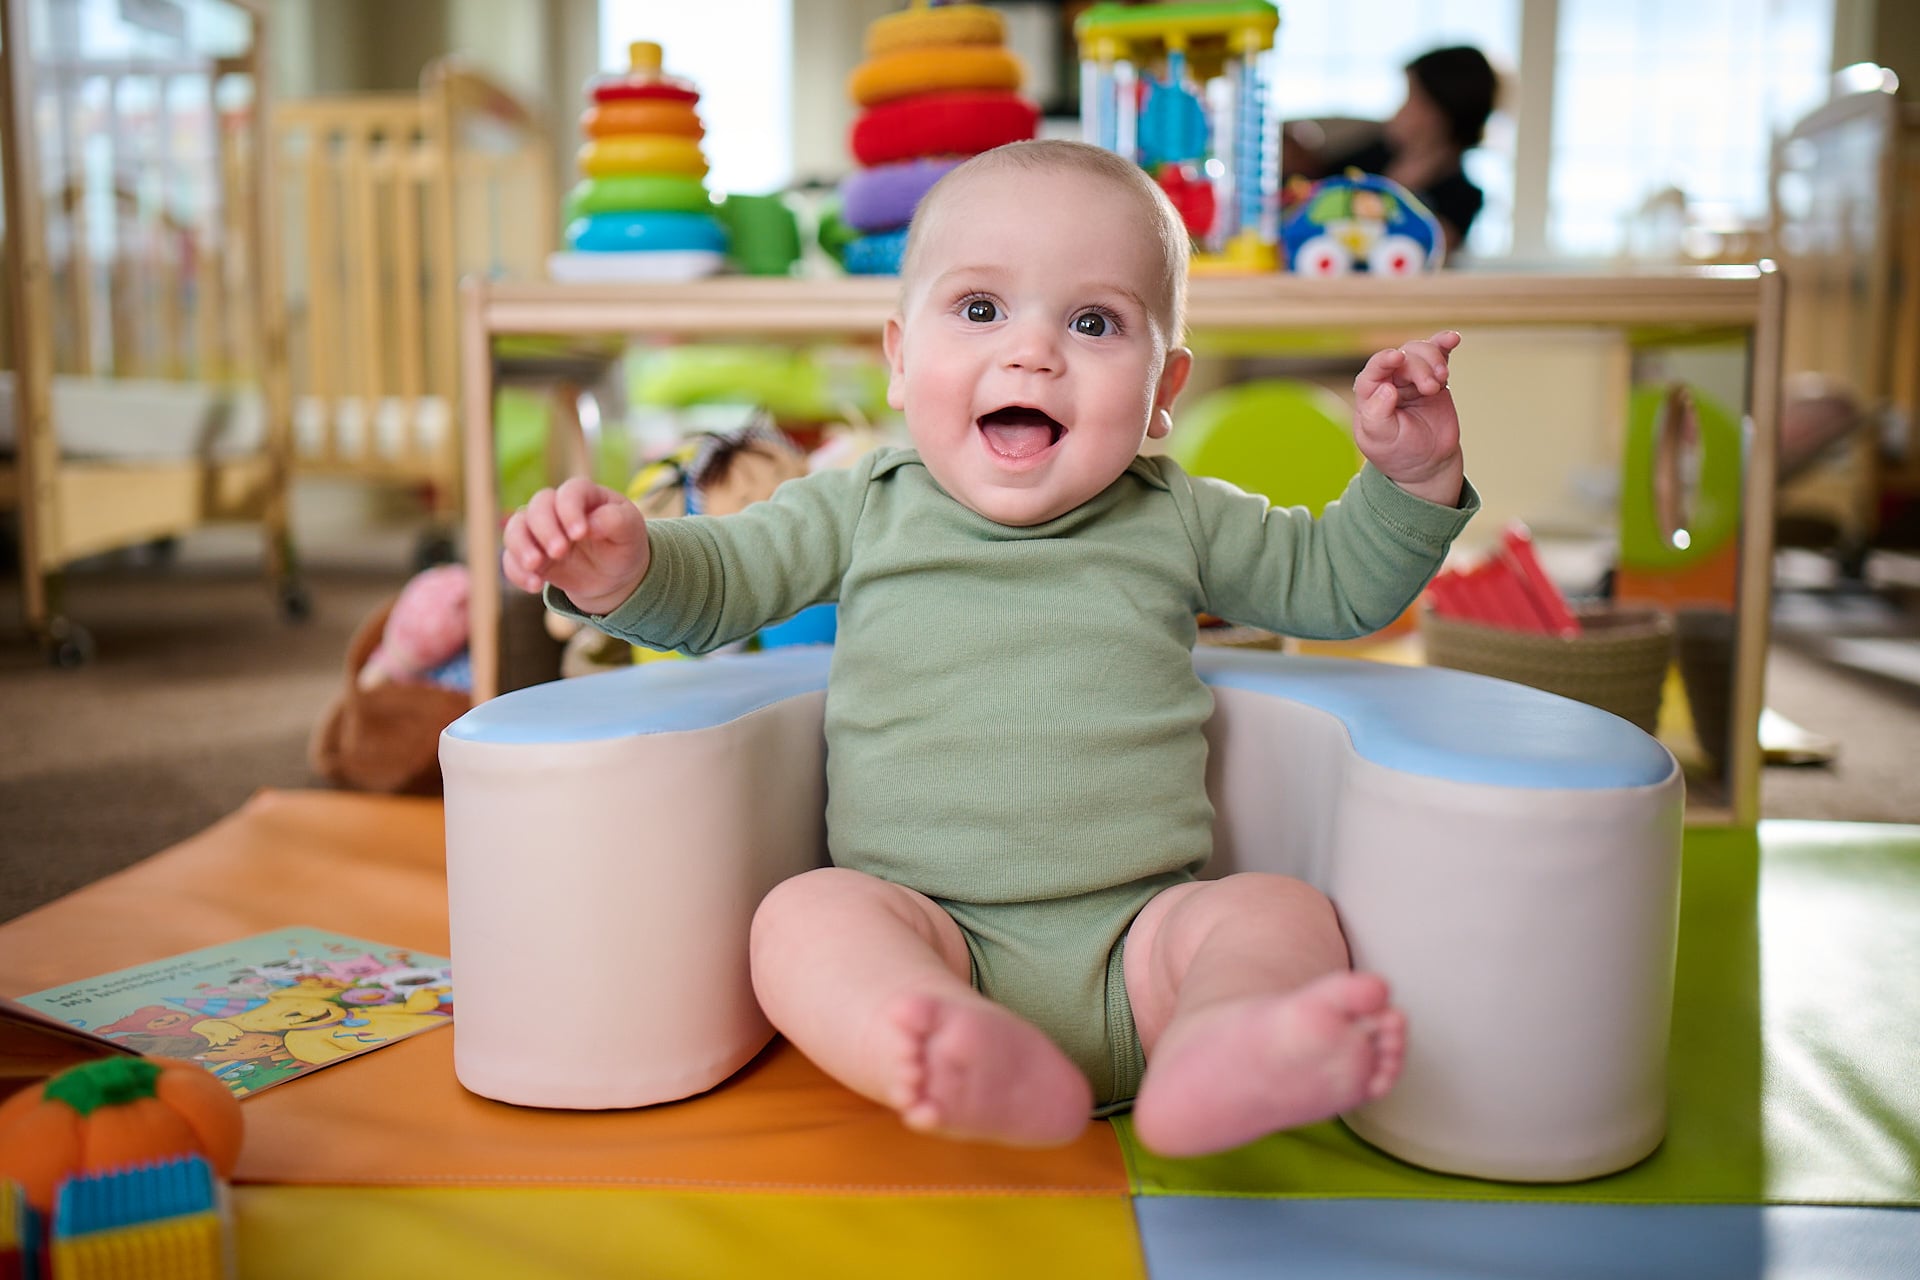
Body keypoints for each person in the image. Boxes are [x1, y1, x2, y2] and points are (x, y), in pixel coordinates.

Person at [501, 139, 1479, 1156]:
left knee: (1280, 912)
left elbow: (1332, 583)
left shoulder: (1179, 514)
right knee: (801, 918)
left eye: (1094, 321)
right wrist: (619, 567)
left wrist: (1411, 482)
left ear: (1163, 387)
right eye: (980, 310)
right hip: (929, 936)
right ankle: (925, 1040)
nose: (1033, 354)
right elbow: (717, 587)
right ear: (899, 356)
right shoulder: (861, 504)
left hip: (1144, 944)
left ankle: (1217, 1049)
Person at [1284, 45, 1498, 256]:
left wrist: (1399, 185)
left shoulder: (1463, 195)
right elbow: (1322, 190)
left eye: (1413, 99)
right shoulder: (1374, 154)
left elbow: (1429, 249)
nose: (1399, 111)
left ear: (1439, 113)